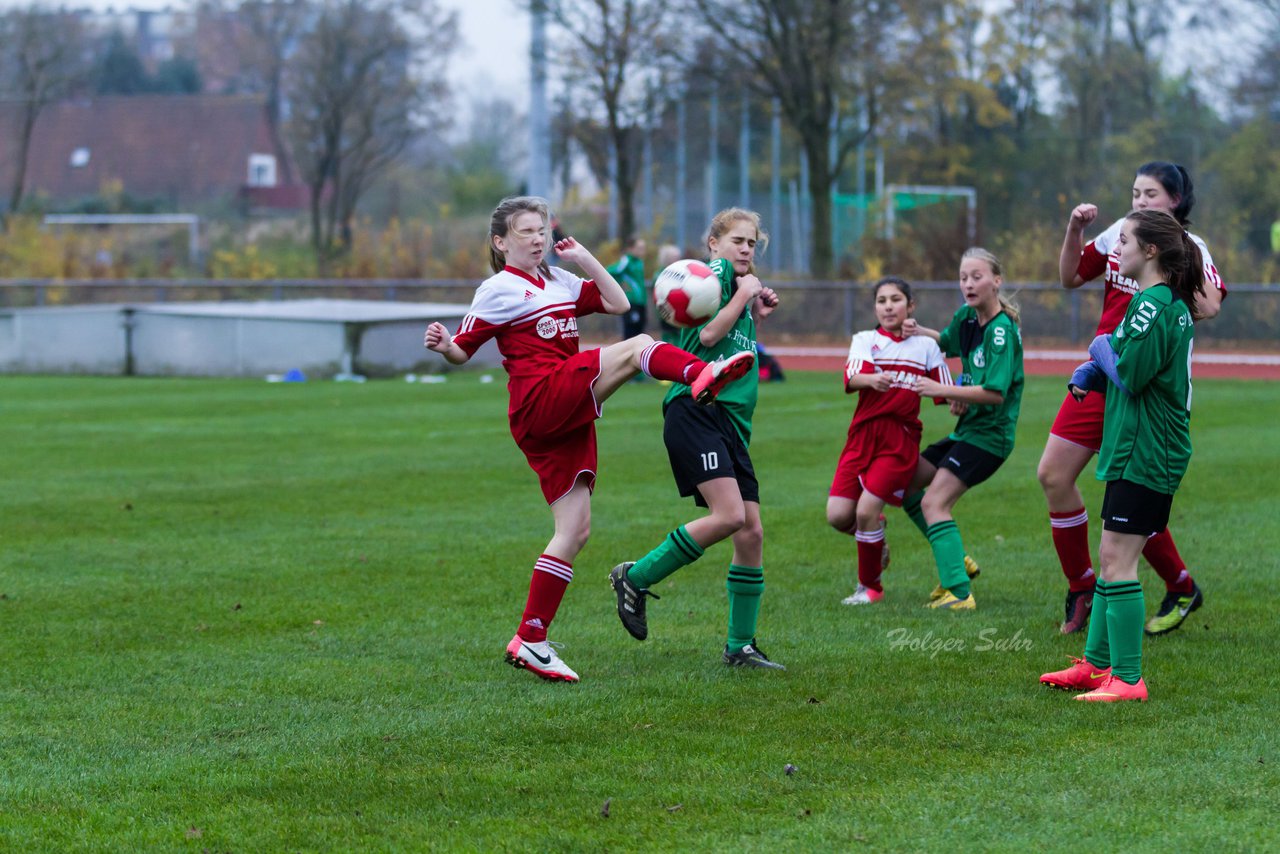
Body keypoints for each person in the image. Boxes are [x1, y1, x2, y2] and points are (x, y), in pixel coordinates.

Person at [424, 196, 755, 683]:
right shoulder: (497, 289)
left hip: (567, 413)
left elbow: (619, 303)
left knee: (574, 532)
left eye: (541, 229)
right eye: (525, 232)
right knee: (638, 346)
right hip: (541, 398)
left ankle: (530, 639)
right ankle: (702, 374)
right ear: (500, 242)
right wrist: (443, 343)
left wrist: (583, 259)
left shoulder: (559, 280)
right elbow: (462, 349)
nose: (537, 238)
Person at [1038, 162, 1225, 635]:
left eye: (1151, 195)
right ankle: (1082, 588)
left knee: (1133, 498)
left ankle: (1176, 586)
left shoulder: (1187, 248)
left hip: (1140, 382)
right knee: (1053, 475)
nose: (1139, 202)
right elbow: (1070, 277)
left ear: (1175, 202)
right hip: (1103, 375)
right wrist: (1075, 230)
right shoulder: (1120, 234)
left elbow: (1209, 305)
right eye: (1135, 192)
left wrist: (1163, 283)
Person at [608, 208, 784, 669]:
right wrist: (744, 293)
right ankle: (636, 576)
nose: (746, 250)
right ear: (714, 244)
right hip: (697, 409)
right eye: (737, 241)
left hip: (728, 421)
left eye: (752, 243)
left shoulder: (737, 286)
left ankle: (740, 646)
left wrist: (754, 311)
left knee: (751, 533)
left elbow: (728, 346)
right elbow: (707, 333)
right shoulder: (711, 277)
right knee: (729, 517)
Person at [900, 248, 1024, 610]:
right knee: (906, 485)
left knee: (934, 502)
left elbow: (994, 393)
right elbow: (946, 342)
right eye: (963, 277)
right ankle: (958, 562)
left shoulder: (1002, 332)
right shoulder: (967, 318)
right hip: (967, 431)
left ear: (996, 281)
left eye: (977, 276)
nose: (968, 284)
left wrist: (943, 389)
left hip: (989, 438)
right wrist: (917, 329)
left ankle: (959, 592)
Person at [827, 277, 952, 605]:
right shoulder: (865, 339)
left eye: (895, 299)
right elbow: (853, 378)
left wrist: (965, 398)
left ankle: (870, 589)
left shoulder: (926, 347)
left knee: (866, 509)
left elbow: (948, 392)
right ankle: (876, 538)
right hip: (861, 437)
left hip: (899, 441)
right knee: (839, 516)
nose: (887, 306)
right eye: (881, 300)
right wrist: (873, 379)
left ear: (910, 306)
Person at [608, 236, 648, 340]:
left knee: (640, 331)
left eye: (643, 248)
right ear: (631, 249)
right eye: (639, 248)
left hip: (641, 302)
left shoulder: (640, 262)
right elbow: (609, 272)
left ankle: (639, 356)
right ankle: (627, 355)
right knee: (630, 331)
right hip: (631, 302)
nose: (642, 251)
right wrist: (618, 285)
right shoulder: (626, 261)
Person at [652, 243, 683, 344]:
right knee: (669, 335)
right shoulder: (660, 274)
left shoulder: (680, 272)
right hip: (666, 311)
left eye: (678, 257)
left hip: (679, 310)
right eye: (675, 257)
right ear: (666, 258)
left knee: (679, 335)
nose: (678, 259)